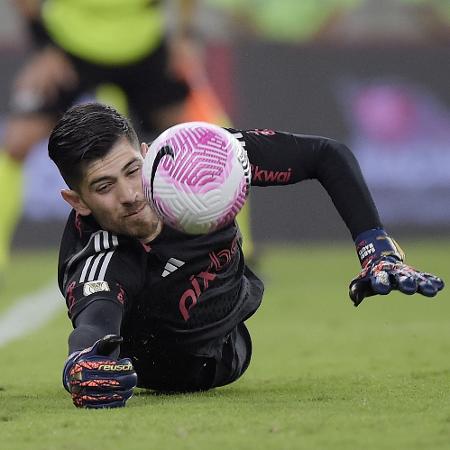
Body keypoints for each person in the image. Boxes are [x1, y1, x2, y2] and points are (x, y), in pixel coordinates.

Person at [48, 103, 444, 409]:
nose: (131, 194)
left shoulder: (199, 158)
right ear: (77, 202)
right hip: (176, 369)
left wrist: (377, 250)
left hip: (232, 325)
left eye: (133, 170)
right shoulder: (100, 255)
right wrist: (82, 362)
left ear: (148, 153)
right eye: (104, 186)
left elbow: (327, 155)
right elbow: (94, 319)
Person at [0, 0, 254, 277]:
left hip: (143, 50)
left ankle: (241, 252)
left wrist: (185, 37)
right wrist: (45, 47)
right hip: (69, 48)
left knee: (212, 138)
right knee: (16, 142)